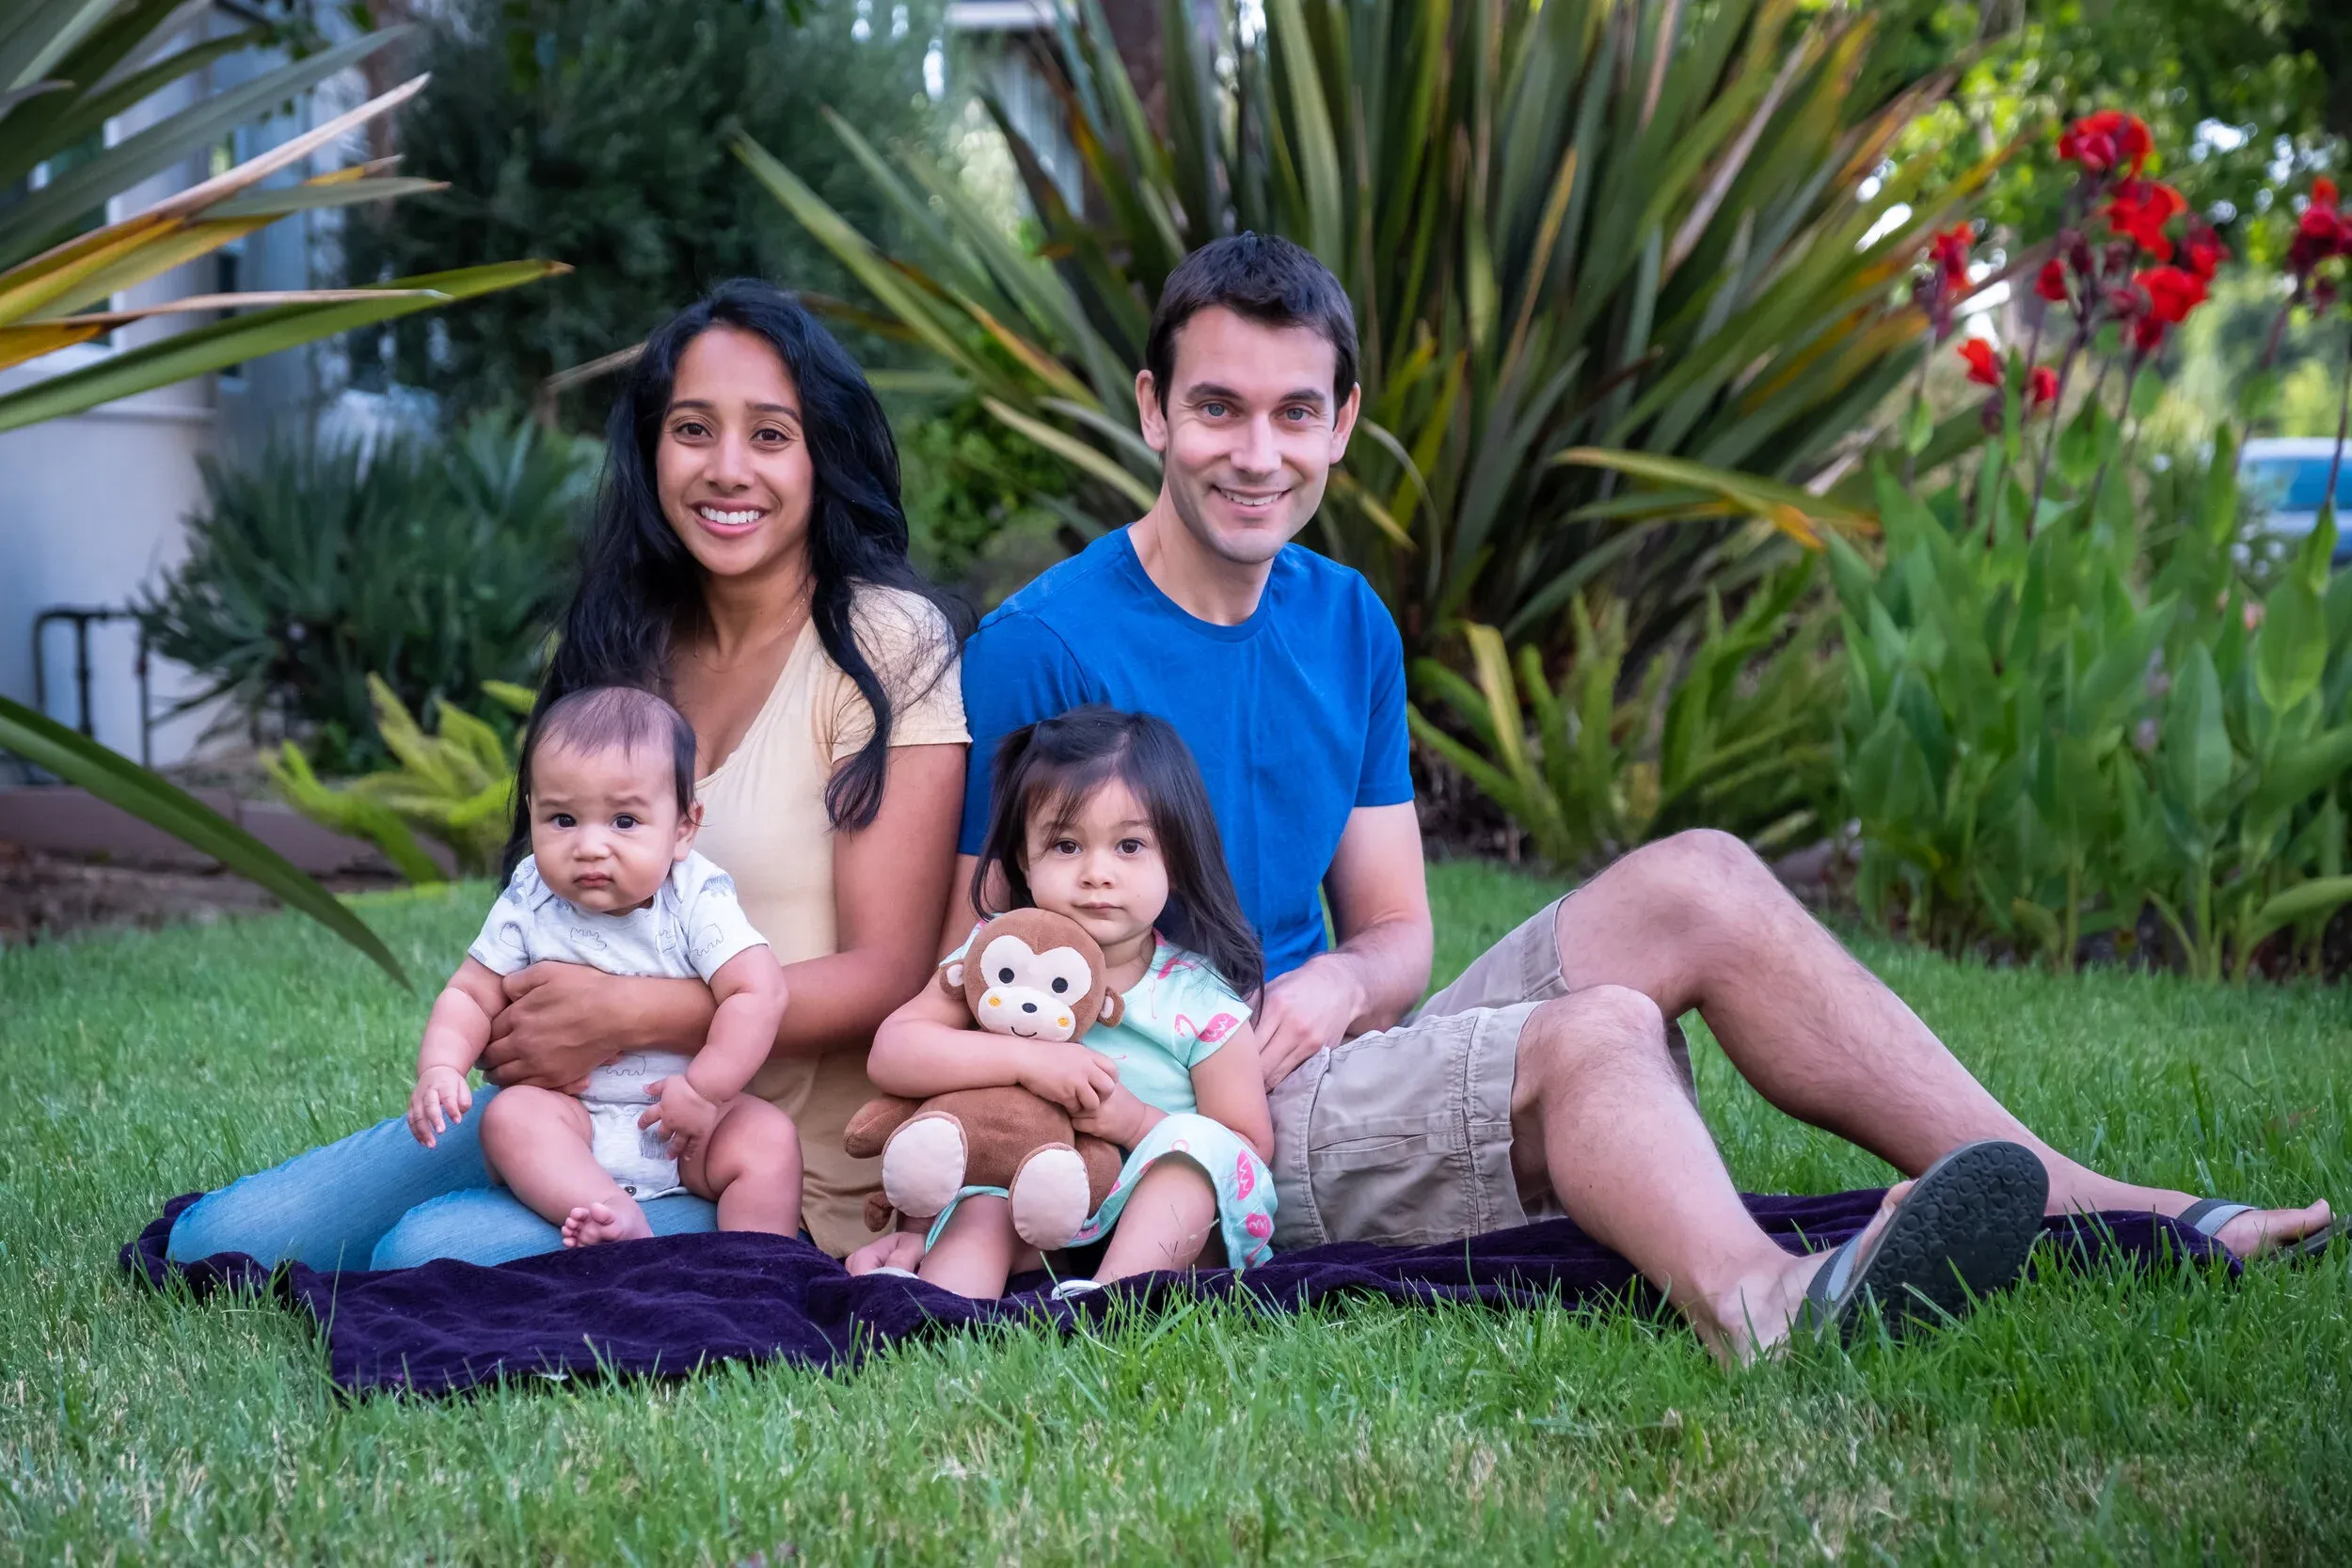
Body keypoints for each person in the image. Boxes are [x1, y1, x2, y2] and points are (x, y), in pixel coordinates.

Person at [850, 232, 2332, 1361]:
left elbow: (1397, 935)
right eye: (1220, 409)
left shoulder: (1348, 617)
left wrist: (1338, 989)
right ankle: (1768, 1304)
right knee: (1607, 1028)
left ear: (1344, 422)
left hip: (1327, 1050)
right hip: (1201, 1113)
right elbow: (977, 963)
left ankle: (2085, 1199)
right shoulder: (1044, 642)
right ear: (1153, 407)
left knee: (1697, 870)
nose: (1258, 453)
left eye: (1296, 414)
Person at [167, 279, 971, 1269]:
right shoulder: (618, 644)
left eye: (770, 434)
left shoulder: (880, 642)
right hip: (576, 1108)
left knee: (424, 1254)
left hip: (758, 1154)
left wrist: (631, 1012)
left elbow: (888, 971)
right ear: (648, 449)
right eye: (692, 429)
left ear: (822, 454)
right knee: (218, 1242)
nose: (727, 470)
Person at [861, 706, 1277, 1298]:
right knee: (983, 1203)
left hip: (1156, 1220)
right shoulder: (998, 953)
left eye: (1130, 845)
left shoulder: (1198, 998)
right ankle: (941, 1319)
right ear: (1025, 861)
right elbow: (894, 1051)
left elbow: (1245, 1144)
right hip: (1031, 1203)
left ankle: (1112, 1301)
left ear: (1178, 861)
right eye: (1066, 844)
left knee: (1193, 1159)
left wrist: (1134, 1121)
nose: (1096, 873)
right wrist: (1030, 1062)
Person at [408, 686, 801, 1248]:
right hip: (575, 1122)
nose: (590, 846)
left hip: (687, 1125)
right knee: (510, 1118)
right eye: (563, 819)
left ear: (684, 827)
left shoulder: (694, 896)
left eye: (623, 821)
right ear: (531, 814)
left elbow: (758, 993)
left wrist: (707, 1089)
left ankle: (754, 1269)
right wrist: (441, 1067)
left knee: (767, 1138)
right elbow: (471, 994)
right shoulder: (530, 895)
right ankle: (611, 1217)